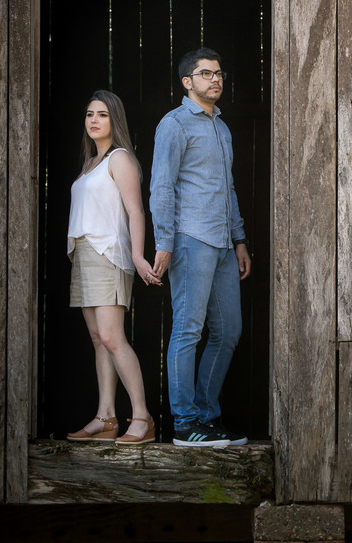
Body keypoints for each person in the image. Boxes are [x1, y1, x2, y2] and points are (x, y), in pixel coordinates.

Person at [150, 48, 252, 447]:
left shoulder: (221, 128)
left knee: (228, 332)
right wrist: (164, 241)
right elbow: (161, 186)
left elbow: (227, 188)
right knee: (188, 330)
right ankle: (184, 423)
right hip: (191, 239)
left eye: (219, 73)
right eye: (206, 74)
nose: (216, 79)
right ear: (186, 82)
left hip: (224, 242)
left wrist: (239, 239)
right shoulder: (174, 125)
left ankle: (207, 419)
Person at [66, 90, 161, 445]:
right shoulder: (90, 162)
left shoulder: (119, 159)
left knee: (111, 337)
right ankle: (106, 418)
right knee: (97, 340)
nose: (93, 120)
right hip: (84, 253)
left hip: (109, 253)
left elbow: (136, 210)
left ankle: (142, 418)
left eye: (102, 114)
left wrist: (138, 256)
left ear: (114, 120)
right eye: (89, 114)